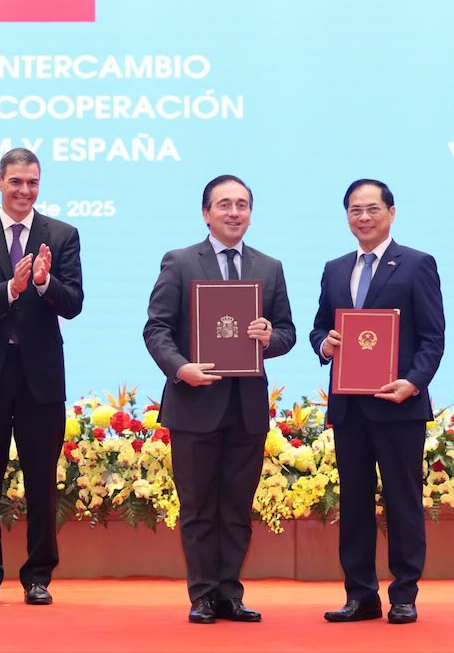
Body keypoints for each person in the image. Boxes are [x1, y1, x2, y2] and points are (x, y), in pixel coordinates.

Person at [143, 174, 296, 624]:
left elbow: (286, 331)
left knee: (235, 508)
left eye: (242, 204)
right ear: (206, 213)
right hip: (194, 404)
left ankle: (230, 593)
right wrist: (180, 368)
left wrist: (270, 336)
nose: (234, 212)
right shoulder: (180, 262)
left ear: (251, 212)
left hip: (246, 407)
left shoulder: (269, 267)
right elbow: (157, 329)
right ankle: (203, 595)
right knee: (198, 508)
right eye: (224, 204)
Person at [0, 148, 84, 606]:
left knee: (42, 480)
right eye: (16, 182)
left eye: (33, 183)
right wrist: (11, 289)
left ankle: (38, 576)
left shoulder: (61, 236)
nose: (25, 191)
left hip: (40, 377)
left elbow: (74, 303)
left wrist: (44, 284)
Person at [310, 179, 445, 625]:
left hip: (399, 405)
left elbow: (432, 337)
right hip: (349, 407)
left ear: (391, 212)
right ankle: (360, 595)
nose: (363, 218)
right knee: (353, 503)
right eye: (354, 210)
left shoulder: (416, 264)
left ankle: (404, 593)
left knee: (403, 501)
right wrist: (324, 344)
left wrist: (413, 382)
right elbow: (318, 329)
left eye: (372, 209)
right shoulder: (333, 269)